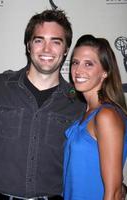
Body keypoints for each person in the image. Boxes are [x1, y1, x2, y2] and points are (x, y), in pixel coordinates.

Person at [0, 9, 86, 200]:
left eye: (56, 42)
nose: (46, 49)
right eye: (39, 40)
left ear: (66, 49)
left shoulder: (78, 103)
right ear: (29, 45)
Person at [63, 34, 127, 200]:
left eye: (88, 64)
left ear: (105, 72)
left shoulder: (106, 116)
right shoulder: (86, 114)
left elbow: (113, 193)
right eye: (75, 62)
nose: (78, 70)